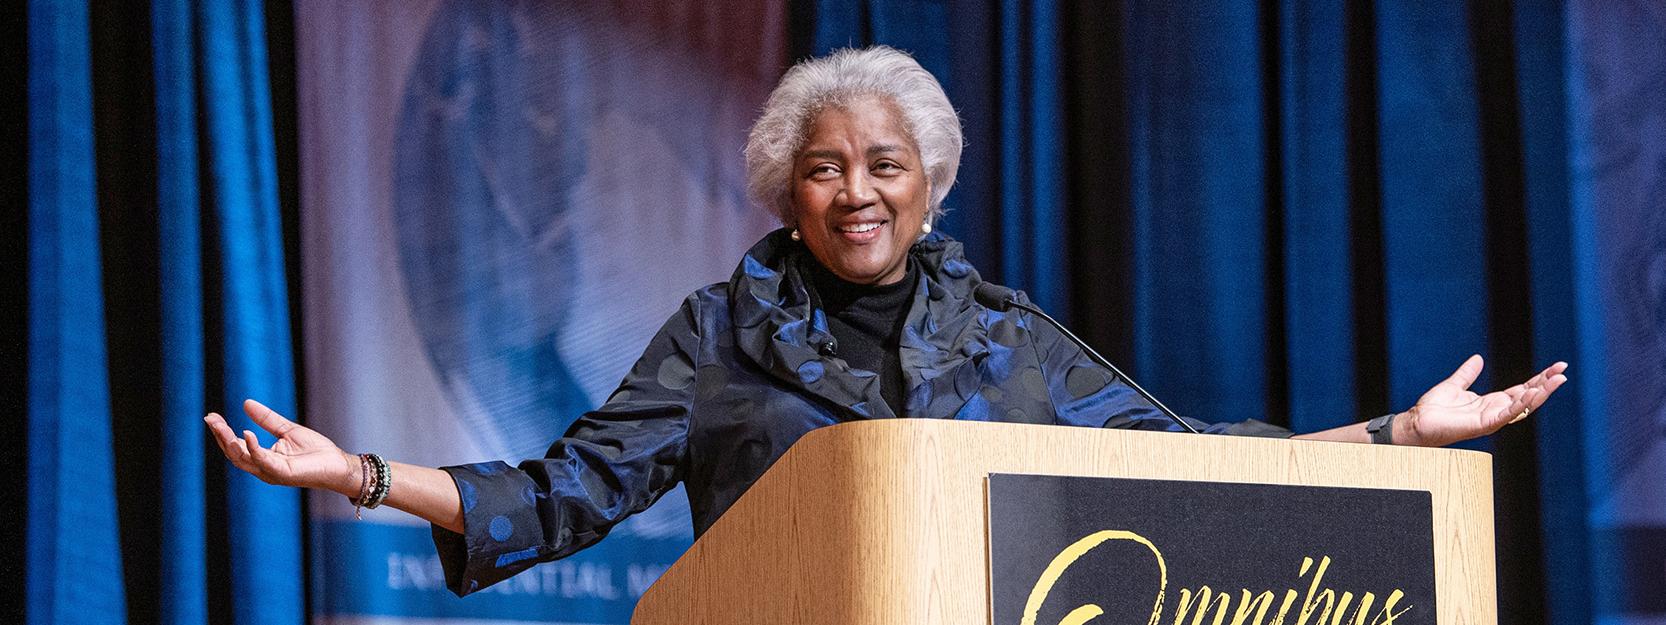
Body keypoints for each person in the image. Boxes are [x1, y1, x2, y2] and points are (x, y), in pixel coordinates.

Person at [204, 46, 1568, 596]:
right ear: (786, 190)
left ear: (929, 184)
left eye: (883, 164)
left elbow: (1190, 464)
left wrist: (1398, 430)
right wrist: (365, 475)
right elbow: (562, 493)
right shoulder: (718, 331)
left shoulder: (1004, 336)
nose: (854, 190)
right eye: (823, 166)